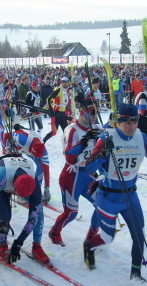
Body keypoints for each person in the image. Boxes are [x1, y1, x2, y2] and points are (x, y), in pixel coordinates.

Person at [83, 103, 147, 281]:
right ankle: (89, 246)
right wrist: (103, 154)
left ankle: (135, 273)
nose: (131, 127)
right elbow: (87, 167)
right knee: (107, 238)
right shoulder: (106, 137)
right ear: (118, 122)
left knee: (139, 236)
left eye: (134, 123)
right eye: (127, 123)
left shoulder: (141, 138)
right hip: (108, 196)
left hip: (130, 196)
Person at [0, 155, 51, 265]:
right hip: (4, 174)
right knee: (5, 217)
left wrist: (18, 243)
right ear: (13, 186)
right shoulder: (0, 179)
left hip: (20, 177)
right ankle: (3, 244)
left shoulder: (34, 187)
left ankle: (37, 246)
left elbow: (33, 219)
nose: (16, 196)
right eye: (17, 193)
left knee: (38, 212)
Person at [49, 95, 99, 246]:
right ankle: (54, 232)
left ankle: (91, 237)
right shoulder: (72, 130)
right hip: (71, 177)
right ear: (82, 112)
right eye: (91, 113)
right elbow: (69, 157)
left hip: (87, 176)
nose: (94, 117)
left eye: (96, 113)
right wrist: (84, 142)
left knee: (102, 205)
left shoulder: (96, 128)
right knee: (71, 213)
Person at [43, 77, 72, 143]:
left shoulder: (64, 90)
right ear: (63, 82)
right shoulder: (58, 89)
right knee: (54, 132)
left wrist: (66, 107)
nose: (69, 84)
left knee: (66, 131)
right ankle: (43, 142)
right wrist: (51, 111)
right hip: (56, 114)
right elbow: (48, 99)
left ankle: (67, 146)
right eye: (67, 83)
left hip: (62, 114)